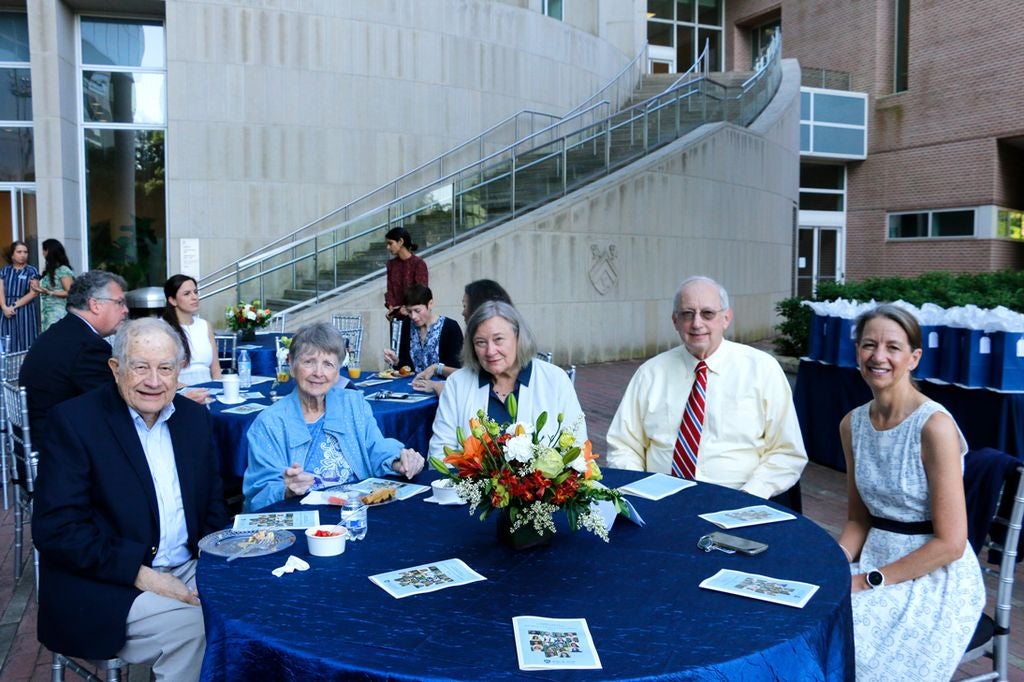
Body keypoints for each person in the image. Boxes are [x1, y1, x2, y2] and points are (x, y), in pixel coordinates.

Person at [32, 318, 228, 681]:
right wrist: (144, 577)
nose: (153, 381)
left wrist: (215, 568)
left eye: (165, 368)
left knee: (255, 610)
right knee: (198, 631)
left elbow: (212, 505)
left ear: (179, 370)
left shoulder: (194, 418)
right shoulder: (75, 423)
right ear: (115, 368)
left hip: (190, 567)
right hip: (110, 584)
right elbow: (57, 530)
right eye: (140, 366)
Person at [837, 304, 984, 680]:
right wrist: (833, 562)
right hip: (874, 558)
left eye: (893, 347)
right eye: (869, 345)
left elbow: (951, 543)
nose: (879, 356)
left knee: (852, 640)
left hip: (935, 576)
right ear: (857, 353)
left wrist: (871, 580)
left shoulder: (934, 426)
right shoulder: (852, 424)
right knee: (812, 615)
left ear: (914, 357)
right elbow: (858, 519)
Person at [605, 276, 806, 499]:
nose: (697, 323)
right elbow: (624, 445)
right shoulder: (650, 373)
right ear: (675, 320)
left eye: (708, 313)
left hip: (740, 499)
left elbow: (787, 451)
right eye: (687, 314)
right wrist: (638, 492)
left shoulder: (762, 369)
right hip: (659, 501)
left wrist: (750, 495)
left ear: (726, 318)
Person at [243, 322, 425, 511]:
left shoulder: (353, 403)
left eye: (328, 364)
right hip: (305, 522)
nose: (318, 373)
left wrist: (398, 461)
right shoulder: (270, 422)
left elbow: (375, 447)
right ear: (291, 364)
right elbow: (258, 494)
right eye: (309, 362)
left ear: (337, 372)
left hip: (359, 513)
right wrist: (287, 490)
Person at [428, 301, 585, 460]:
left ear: (518, 338)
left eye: (498, 339)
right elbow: (440, 452)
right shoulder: (457, 383)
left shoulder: (555, 380)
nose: (490, 351)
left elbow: (577, 448)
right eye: (481, 342)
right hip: (465, 484)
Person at [19, 270, 128, 437]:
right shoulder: (88, 347)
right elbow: (116, 403)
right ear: (95, 305)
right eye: (120, 303)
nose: (125, 310)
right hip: (59, 443)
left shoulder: (64, 330)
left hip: (41, 429)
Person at [382, 284, 462, 393]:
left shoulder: (450, 327)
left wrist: (436, 369)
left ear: (430, 304)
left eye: (417, 310)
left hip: (441, 392)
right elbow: (407, 367)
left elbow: (457, 371)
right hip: (411, 390)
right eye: (409, 312)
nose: (413, 316)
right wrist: (397, 361)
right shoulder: (406, 326)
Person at [162, 274, 221, 385]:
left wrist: (218, 389)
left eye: (195, 292)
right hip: (179, 392)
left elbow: (216, 369)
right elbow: (162, 374)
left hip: (209, 390)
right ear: (173, 300)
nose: (194, 297)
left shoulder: (205, 325)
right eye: (187, 294)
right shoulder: (162, 328)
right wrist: (187, 392)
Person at [0, 240, 40, 351]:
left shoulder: (32, 271)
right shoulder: (4, 271)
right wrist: (4, 307)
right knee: (7, 341)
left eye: (25, 252)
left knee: (26, 341)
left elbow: (33, 293)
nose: (23, 255)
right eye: (19, 252)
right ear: (12, 255)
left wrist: (13, 306)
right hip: (6, 310)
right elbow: (0, 290)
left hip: (25, 309)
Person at [384, 226, 427, 322]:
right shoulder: (391, 264)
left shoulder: (418, 264)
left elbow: (421, 291)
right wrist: (391, 307)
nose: (388, 247)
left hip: (414, 317)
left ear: (400, 242)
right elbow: (390, 290)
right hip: (396, 317)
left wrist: (406, 308)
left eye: (390, 243)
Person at [31, 238, 75, 331]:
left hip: (59, 312)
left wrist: (50, 292)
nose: (42, 253)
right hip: (47, 312)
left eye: (44, 250)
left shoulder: (63, 270)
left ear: (48, 251)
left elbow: (70, 292)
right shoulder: (50, 271)